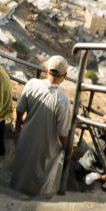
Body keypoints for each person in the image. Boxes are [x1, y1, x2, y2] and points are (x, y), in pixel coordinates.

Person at [10, 55, 73, 196]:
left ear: (46, 70)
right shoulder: (63, 100)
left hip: (26, 139)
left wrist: (18, 128)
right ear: (65, 75)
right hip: (46, 149)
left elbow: (19, 110)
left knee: (20, 172)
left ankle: (13, 194)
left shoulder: (32, 84)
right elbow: (63, 134)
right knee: (40, 181)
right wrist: (68, 150)